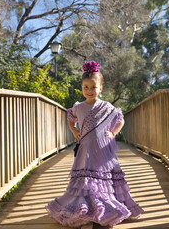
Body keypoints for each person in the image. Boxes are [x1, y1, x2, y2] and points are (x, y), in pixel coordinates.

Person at [46, 61, 144, 228]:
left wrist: (113, 133)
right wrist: (75, 131)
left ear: (100, 88)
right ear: (81, 88)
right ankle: (84, 208)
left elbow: (120, 119)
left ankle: (103, 208)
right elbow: (71, 120)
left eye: (93, 87)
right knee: (84, 180)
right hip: (85, 149)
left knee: (102, 178)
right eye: (86, 87)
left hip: (102, 150)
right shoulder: (78, 107)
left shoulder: (107, 107)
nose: (89, 91)